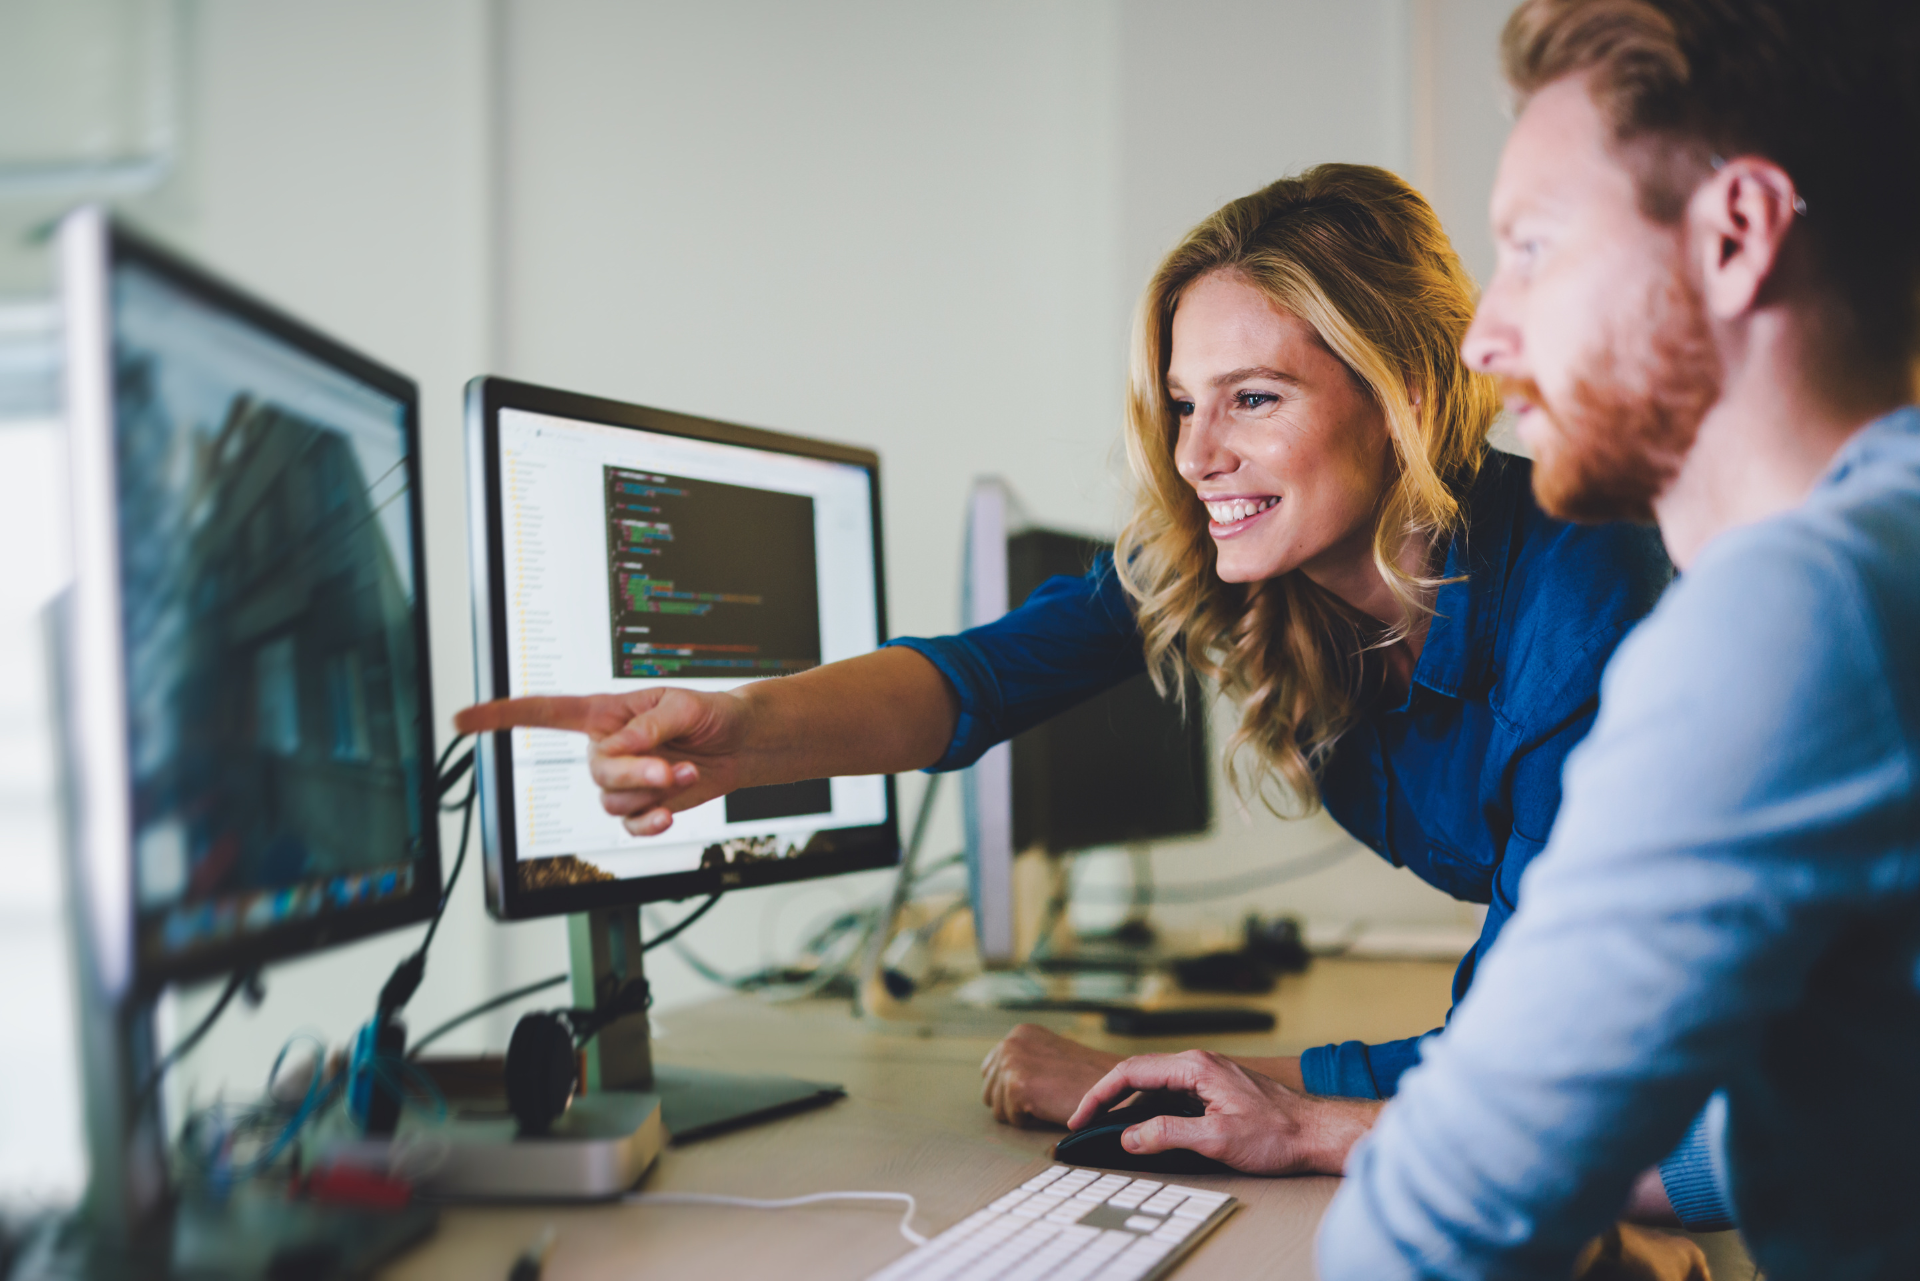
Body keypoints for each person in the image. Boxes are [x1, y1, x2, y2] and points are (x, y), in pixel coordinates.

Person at [453, 165, 1669, 1182]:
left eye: (1253, 398)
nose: (1196, 454)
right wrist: (740, 732)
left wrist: (1188, 1087)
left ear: (1405, 393)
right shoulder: (1259, 568)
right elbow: (978, 680)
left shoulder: (1584, 611)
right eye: (1184, 403)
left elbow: (1521, 1067)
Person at [1071, 2, 1920, 1277]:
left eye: (1534, 247)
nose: (1484, 336)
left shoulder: (1796, 612)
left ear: (1736, 235)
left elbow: (1422, 1238)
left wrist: (1358, 1141)